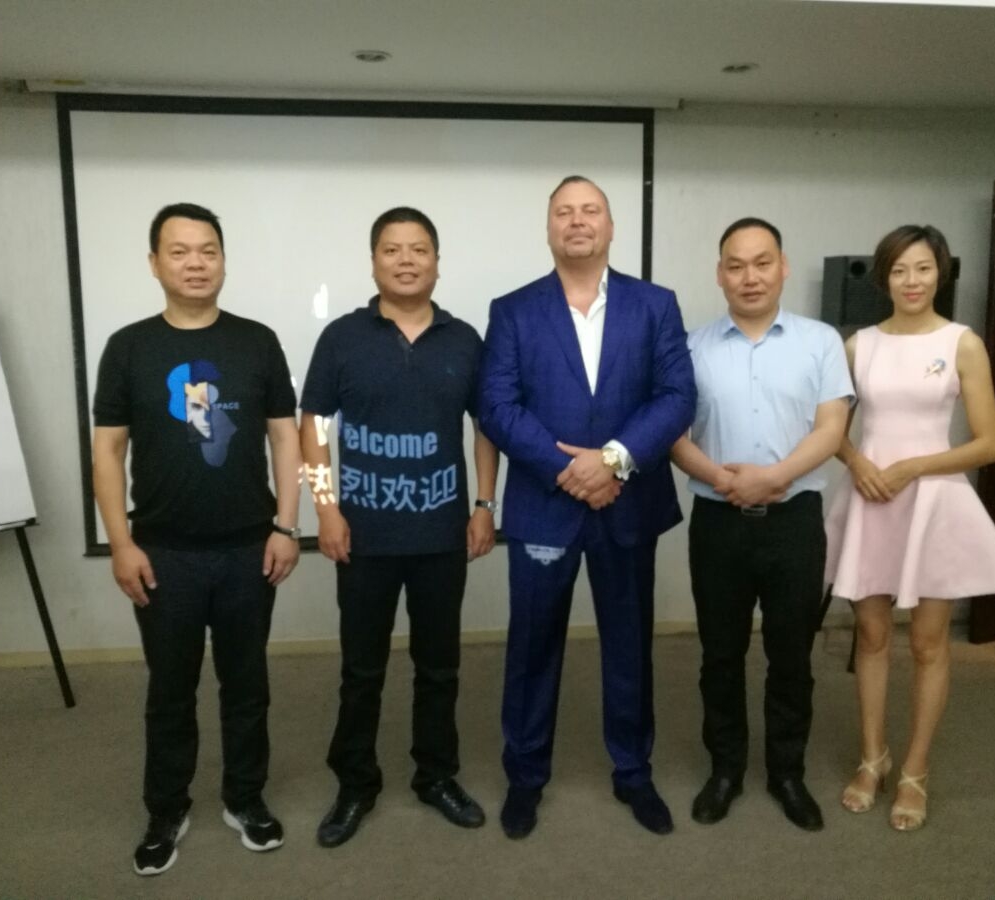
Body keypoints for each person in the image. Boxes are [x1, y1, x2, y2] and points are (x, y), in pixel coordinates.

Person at [478, 176, 696, 838]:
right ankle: (525, 777)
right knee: (532, 646)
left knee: (629, 645)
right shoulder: (513, 310)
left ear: (609, 226)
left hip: (628, 504)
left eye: (590, 210)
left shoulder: (655, 305)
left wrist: (615, 461)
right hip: (545, 505)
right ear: (549, 228)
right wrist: (567, 468)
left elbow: (676, 397)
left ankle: (633, 772)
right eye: (564, 212)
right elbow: (497, 405)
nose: (577, 221)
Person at [93, 202, 301, 876]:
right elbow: (108, 452)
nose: (195, 263)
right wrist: (120, 544)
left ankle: (246, 798)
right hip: (163, 553)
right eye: (179, 251)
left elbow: (286, 439)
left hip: (249, 549)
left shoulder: (257, 341)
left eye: (208, 250)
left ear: (223, 260)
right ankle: (166, 809)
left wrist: (287, 525)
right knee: (170, 690)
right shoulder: (128, 347)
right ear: (155, 263)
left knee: (247, 685)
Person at [300, 207, 499, 848]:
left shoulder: (465, 340)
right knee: (361, 671)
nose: (406, 260)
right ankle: (355, 784)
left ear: (437, 262)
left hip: (441, 535)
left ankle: (436, 776)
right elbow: (314, 427)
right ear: (373, 262)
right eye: (392, 249)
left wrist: (484, 504)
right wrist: (325, 508)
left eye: (419, 249)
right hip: (363, 538)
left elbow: (486, 427)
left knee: (439, 668)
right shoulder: (342, 338)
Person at [826, 224, 995, 831]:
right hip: (870, 497)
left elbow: (990, 443)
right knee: (871, 634)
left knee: (928, 643)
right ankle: (872, 758)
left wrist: (912, 467)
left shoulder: (962, 343)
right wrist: (858, 463)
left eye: (923, 268)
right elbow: (831, 430)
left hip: (932, 502)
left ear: (942, 274)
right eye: (899, 270)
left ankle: (915, 769)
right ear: (883, 278)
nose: (911, 281)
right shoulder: (858, 345)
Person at [671, 217, 852, 833]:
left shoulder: (820, 342)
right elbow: (672, 434)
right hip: (718, 523)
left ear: (782, 267)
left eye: (762, 262)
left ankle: (787, 774)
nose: (750, 276)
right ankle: (725, 770)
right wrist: (727, 482)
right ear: (720, 273)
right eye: (736, 265)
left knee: (791, 655)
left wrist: (773, 478)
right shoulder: (690, 347)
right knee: (720, 654)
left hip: (794, 521)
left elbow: (832, 429)